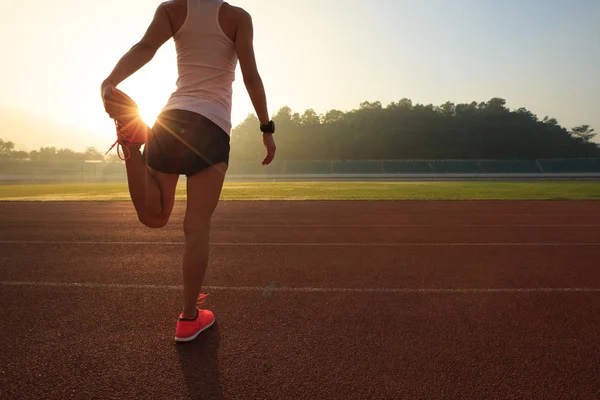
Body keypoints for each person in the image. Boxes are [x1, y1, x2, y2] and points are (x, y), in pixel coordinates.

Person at [101, 0, 276, 343]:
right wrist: (266, 129)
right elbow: (251, 76)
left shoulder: (171, 9)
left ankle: (132, 145)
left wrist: (110, 81)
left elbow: (145, 47)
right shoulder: (238, 18)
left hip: (172, 120)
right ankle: (188, 317)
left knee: (155, 217)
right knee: (196, 227)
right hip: (212, 127)